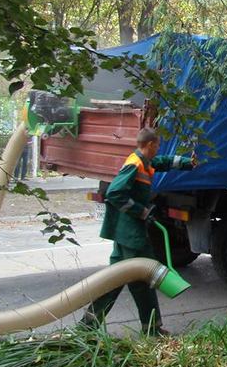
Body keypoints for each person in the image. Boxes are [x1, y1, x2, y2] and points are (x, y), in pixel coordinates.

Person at [80, 127, 197, 335]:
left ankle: (87, 326)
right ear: (150, 145)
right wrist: (141, 211)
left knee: (114, 280)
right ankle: (152, 329)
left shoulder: (144, 161)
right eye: (157, 145)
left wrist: (187, 163)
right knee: (144, 278)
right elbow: (115, 193)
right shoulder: (134, 165)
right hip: (131, 235)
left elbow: (162, 162)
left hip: (123, 234)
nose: (158, 149)